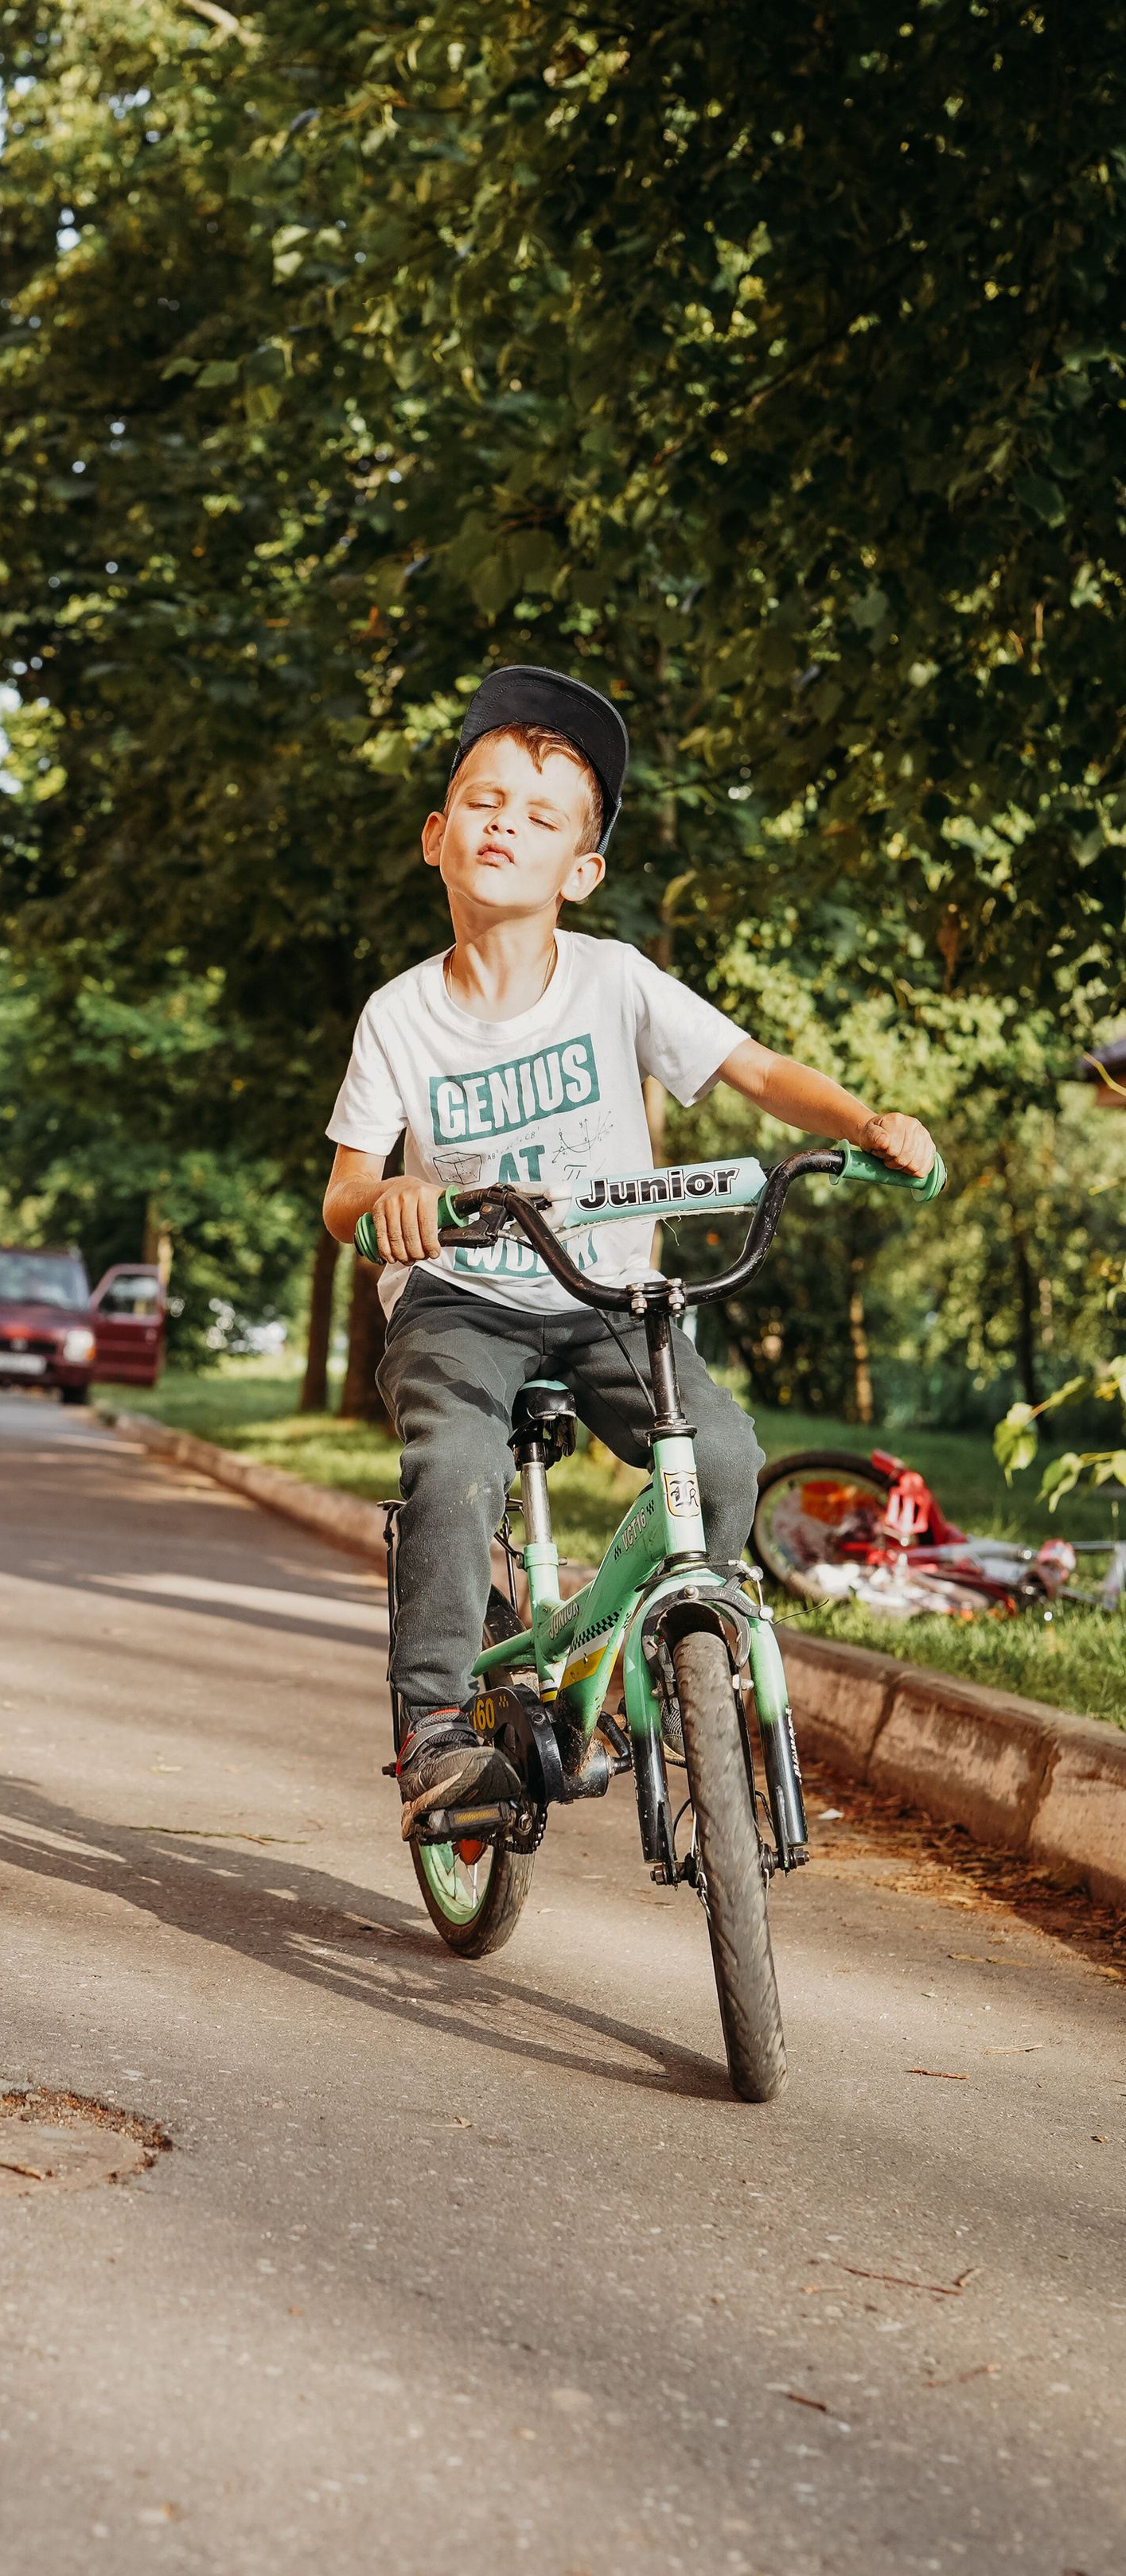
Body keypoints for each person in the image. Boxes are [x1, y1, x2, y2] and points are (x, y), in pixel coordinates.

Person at [321, 663, 939, 1836]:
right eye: (486, 801)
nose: (509, 823)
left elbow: (754, 1071)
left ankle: (637, 1633)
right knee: (453, 1471)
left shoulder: (617, 980)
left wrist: (864, 1124)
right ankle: (437, 1731)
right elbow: (345, 1191)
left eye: (543, 817)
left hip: (610, 1293)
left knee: (722, 1458)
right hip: (462, 1300)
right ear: (436, 836)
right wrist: (390, 1201)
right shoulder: (400, 1016)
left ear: (583, 870)